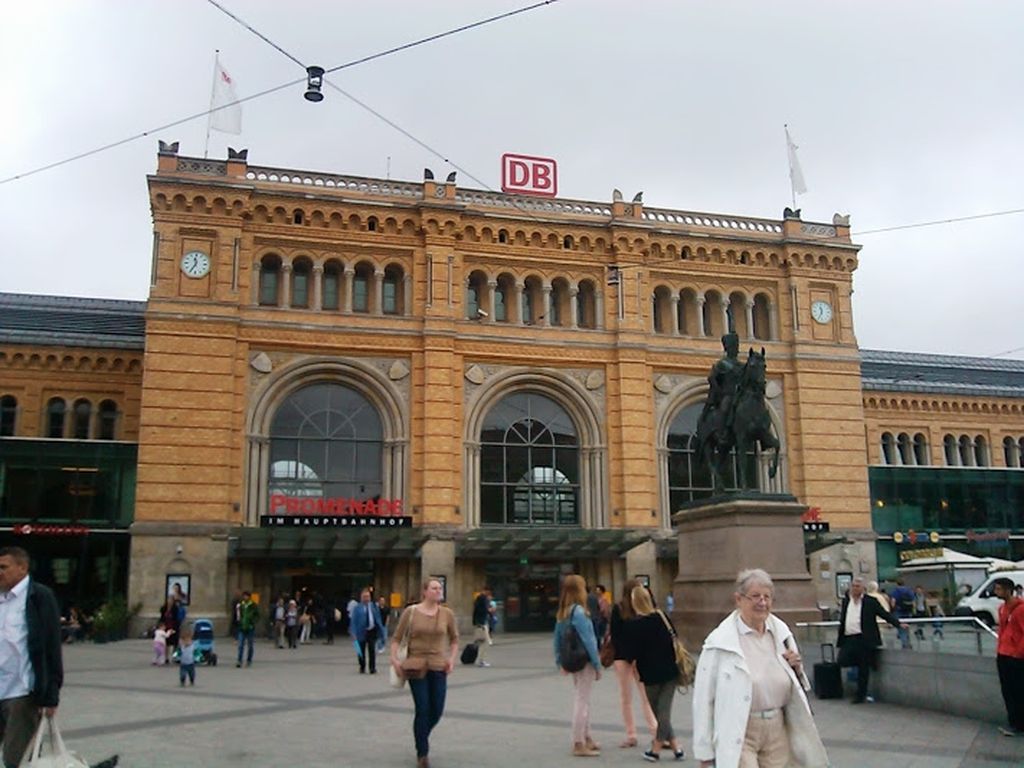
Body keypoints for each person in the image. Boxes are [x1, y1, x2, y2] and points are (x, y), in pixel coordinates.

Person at [693, 568, 828, 768]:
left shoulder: (781, 634)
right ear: (738, 599)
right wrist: (705, 753)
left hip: (777, 728)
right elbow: (703, 699)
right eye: (755, 596)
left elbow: (796, 686)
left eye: (767, 597)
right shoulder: (719, 643)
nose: (762, 603)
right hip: (740, 729)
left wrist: (797, 670)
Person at [0, 547, 63, 768]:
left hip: (21, 693)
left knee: (15, 758)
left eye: (3, 567)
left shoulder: (39, 597)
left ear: (22, 568)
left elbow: (51, 647)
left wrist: (51, 695)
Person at [389, 578, 459, 768]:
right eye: (434, 588)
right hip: (415, 666)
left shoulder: (447, 614)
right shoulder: (411, 612)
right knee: (423, 708)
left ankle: (421, 736)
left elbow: (454, 640)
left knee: (437, 710)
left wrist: (451, 659)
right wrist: (395, 660)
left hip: (439, 666)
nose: (438, 591)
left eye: (440, 588)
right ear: (425, 591)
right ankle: (422, 753)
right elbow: (396, 639)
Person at [629, 584, 685, 762]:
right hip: (670, 671)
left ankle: (656, 748)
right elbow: (674, 637)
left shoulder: (636, 625)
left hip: (651, 674)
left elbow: (634, 652)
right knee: (663, 713)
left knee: (661, 713)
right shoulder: (663, 617)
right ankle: (676, 747)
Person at [552, 574, 602, 758]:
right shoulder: (580, 612)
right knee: (582, 700)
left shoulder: (563, 611)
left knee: (583, 698)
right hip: (584, 661)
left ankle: (586, 737)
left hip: (572, 660)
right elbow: (589, 640)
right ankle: (578, 742)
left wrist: (559, 661)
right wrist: (597, 664)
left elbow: (556, 639)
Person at [837, 576, 905, 704]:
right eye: (853, 586)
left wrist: (898, 623)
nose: (854, 589)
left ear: (863, 589)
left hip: (864, 638)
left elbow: (884, 614)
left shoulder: (870, 601)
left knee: (864, 667)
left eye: (857, 586)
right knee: (842, 660)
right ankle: (855, 683)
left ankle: (860, 695)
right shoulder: (847, 601)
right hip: (849, 637)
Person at [609, 578, 657, 749]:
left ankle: (643, 734)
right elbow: (616, 634)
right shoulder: (622, 608)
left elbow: (617, 635)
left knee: (634, 698)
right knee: (638, 697)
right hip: (630, 657)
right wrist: (634, 655)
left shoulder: (637, 608)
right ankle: (643, 733)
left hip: (629, 657)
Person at [993, 577, 1024, 737]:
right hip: (1003, 655)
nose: (996, 592)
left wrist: (1018, 653)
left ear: (1007, 590)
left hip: (1016, 658)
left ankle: (1019, 724)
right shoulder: (1001, 608)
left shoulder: (1020, 609)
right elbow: (1003, 631)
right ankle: (1013, 722)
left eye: (999, 589)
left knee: (1018, 691)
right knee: (1008, 691)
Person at [350, 588, 386, 674]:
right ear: (361, 597)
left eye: (368, 596)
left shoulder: (374, 606)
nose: (366, 598)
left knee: (372, 650)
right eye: (364, 597)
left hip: (371, 631)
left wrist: (382, 631)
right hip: (361, 632)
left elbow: (378, 619)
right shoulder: (357, 608)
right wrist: (353, 633)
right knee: (360, 651)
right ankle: (362, 666)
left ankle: (372, 668)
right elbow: (353, 621)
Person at [235, 590, 259, 667]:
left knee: (250, 645)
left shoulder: (253, 605)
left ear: (249, 597)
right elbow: (238, 615)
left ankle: (249, 660)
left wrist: (253, 622)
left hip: (250, 628)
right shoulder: (241, 605)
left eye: (246, 596)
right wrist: (238, 622)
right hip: (242, 627)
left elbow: (257, 615)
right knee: (240, 645)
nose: (245, 597)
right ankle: (239, 660)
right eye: (244, 596)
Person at [889, 579, 914, 649]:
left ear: (897, 584)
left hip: (899, 611)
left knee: (901, 628)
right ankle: (909, 642)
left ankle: (905, 644)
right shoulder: (909, 590)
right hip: (908, 611)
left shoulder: (896, 591)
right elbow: (913, 600)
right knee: (907, 627)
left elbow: (893, 602)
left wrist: (893, 609)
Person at [472, 586, 493, 667]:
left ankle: (477, 656)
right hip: (482, 623)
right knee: (485, 642)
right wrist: (489, 610)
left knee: (480, 641)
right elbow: (484, 610)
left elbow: (476, 611)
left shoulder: (479, 598)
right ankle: (481, 660)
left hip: (480, 622)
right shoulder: (483, 598)